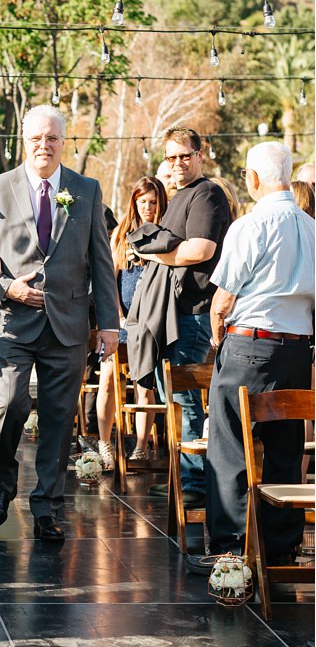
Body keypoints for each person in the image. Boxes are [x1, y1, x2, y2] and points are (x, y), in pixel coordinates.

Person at [0, 106, 118, 541]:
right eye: (36, 138)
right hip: (12, 323)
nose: (43, 146)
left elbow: (101, 262)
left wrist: (108, 323)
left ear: (62, 142)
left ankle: (47, 507)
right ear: (23, 141)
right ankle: (3, 485)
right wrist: (6, 285)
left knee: (58, 418)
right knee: (10, 404)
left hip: (68, 324)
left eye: (52, 138)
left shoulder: (85, 189)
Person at [189, 141, 314, 574]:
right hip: (297, 348)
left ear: (253, 177)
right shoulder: (311, 227)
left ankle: (230, 547)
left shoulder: (250, 225)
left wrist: (218, 337)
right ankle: (280, 547)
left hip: (249, 343)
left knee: (229, 444)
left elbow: (223, 299)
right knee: (284, 445)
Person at [137, 129, 232, 510]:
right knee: (172, 394)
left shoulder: (207, 194)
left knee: (186, 397)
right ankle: (186, 476)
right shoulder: (178, 195)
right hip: (173, 311)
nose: (178, 164)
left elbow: (200, 249)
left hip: (194, 313)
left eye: (184, 156)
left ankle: (195, 481)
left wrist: (156, 254)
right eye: (171, 157)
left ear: (200, 155)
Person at [93, 177, 168, 467]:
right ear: (134, 202)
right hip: (121, 322)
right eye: (143, 202)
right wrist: (116, 318)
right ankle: (104, 442)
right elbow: (109, 280)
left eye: (153, 202)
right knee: (109, 381)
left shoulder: (163, 234)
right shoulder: (121, 235)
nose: (148, 207)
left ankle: (140, 446)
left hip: (148, 323)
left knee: (144, 383)